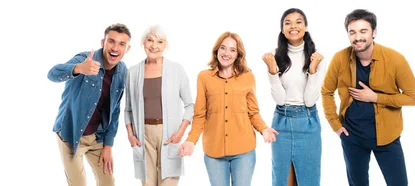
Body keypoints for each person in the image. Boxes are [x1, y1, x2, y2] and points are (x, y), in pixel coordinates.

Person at [321, 9, 415, 186]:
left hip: (388, 136)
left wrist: (376, 97)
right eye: (353, 32)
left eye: (363, 31)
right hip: (352, 136)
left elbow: (412, 97)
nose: (357, 37)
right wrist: (335, 125)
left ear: (374, 32)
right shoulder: (339, 58)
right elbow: (326, 91)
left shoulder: (395, 59)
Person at [178, 31, 278, 186]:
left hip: (244, 151)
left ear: (238, 54)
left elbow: (253, 113)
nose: (227, 53)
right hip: (214, 152)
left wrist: (264, 129)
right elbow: (199, 115)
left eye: (232, 50)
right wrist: (191, 140)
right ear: (216, 50)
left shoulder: (247, 77)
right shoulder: (204, 77)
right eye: (223, 48)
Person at [47, 23, 131, 186]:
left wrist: (108, 145)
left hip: (97, 137)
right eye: (111, 41)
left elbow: (115, 111)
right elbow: (52, 74)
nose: (115, 48)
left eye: (122, 44)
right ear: (103, 43)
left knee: (108, 182)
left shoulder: (122, 71)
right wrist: (78, 68)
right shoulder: (85, 59)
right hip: (71, 135)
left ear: (127, 49)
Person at [124, 25, 195, 186]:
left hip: (169, 134)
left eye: (160, 42)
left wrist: (180, 132)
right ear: (143, 43)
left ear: (165, 45)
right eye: (150, 40)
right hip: (143, 136)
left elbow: (190, 105)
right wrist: (130, 135)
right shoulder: (133, 72)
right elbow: (128, 109)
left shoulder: (176, 70)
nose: (154, 46)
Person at [262, 8, 325, 186]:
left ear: (305, 27)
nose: (293, 26)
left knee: (308, 180)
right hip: (281, 121)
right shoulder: (275, 57)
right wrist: (273, 71)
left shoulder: (316, 57)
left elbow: (310, 100)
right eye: (287, 23)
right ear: (282, 29)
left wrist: (312, 70)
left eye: (298, 22)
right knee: (283, 179)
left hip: (308, 122)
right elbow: (280, 99)